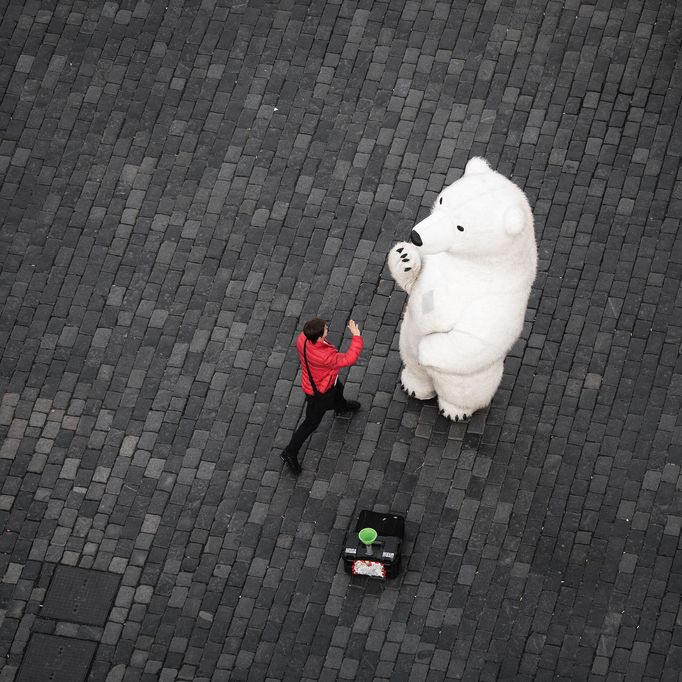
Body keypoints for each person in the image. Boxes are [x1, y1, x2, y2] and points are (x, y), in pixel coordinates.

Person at [280, 317, 363, 474]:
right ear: (318, 336)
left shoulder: (303, 338)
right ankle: (290, 452)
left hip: (325, 381)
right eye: (325, 328)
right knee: (310, 423)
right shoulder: (324, 357)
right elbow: (348, 358)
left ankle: (341, 407)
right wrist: (356, 336)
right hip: (320, 391)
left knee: (338, 389)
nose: (327, 328)